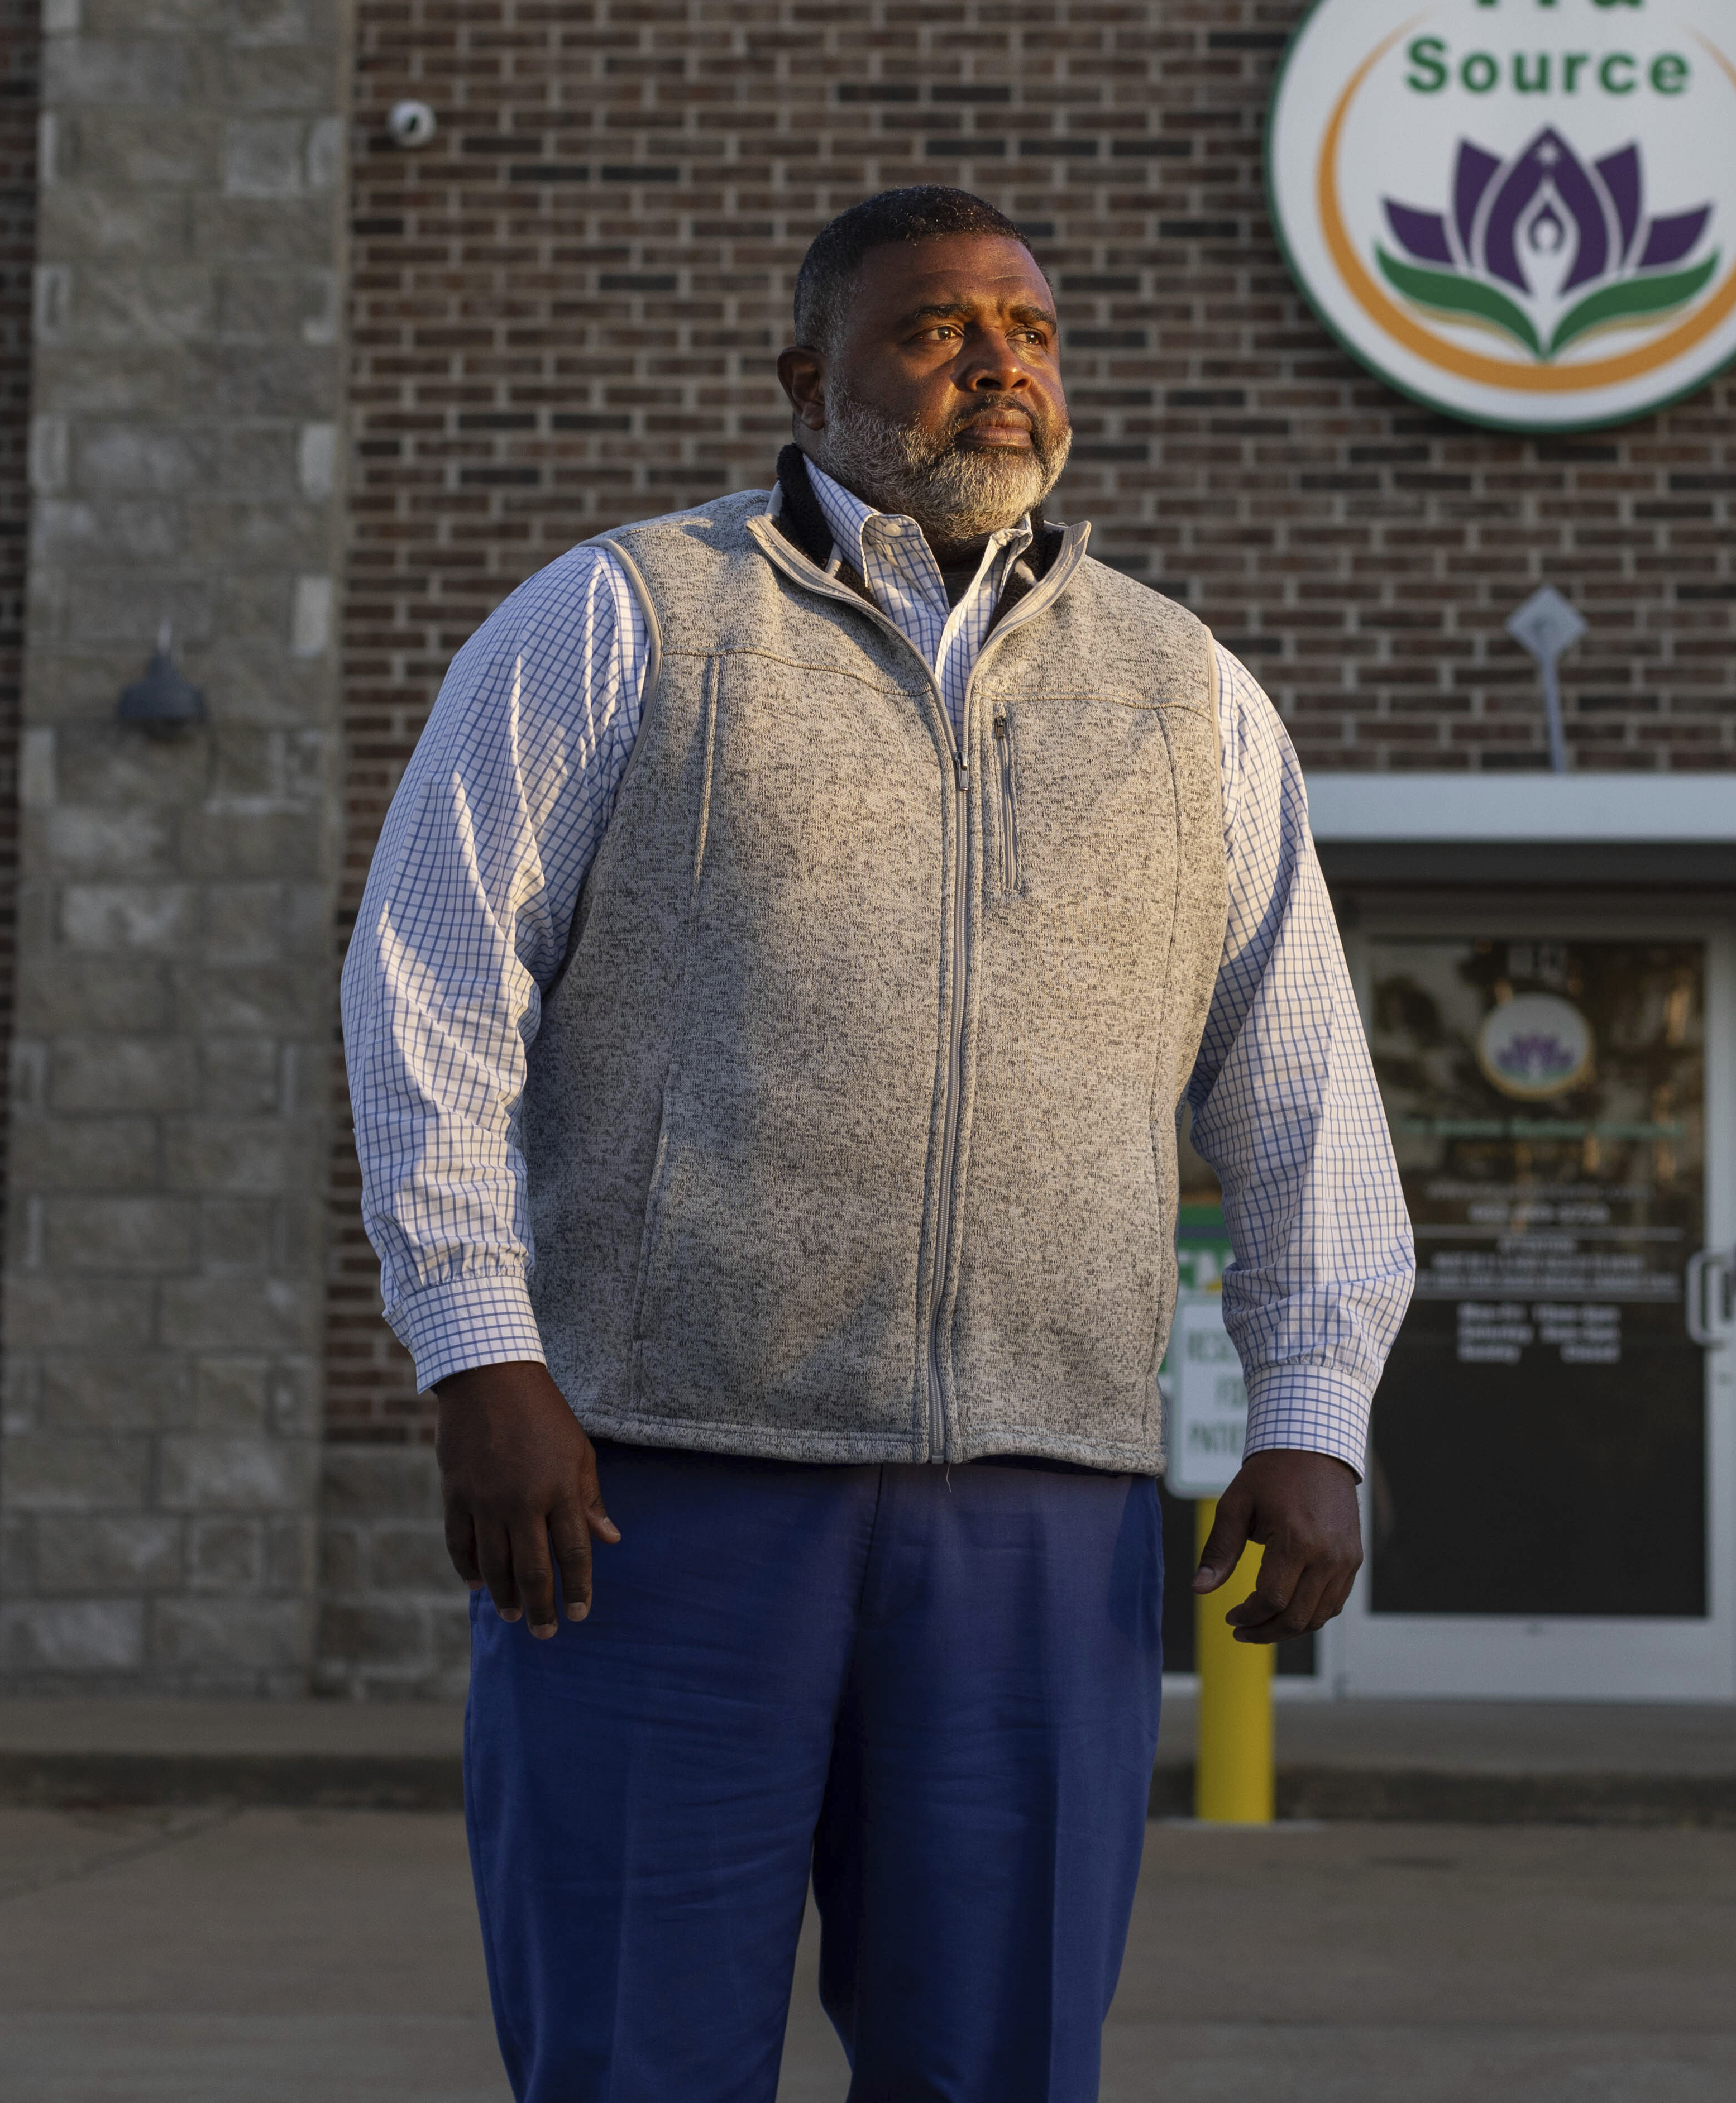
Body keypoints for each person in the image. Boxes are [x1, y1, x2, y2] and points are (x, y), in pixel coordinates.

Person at [342, 185, 1414, 2101]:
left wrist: (1312, 1409)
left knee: (995, 2060)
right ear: (808, 374)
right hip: (657, 1493)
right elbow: (427, 982)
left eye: (1031, 327)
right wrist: (479, 1351)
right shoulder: (624, 620)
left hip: (1038, 1507)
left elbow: (1298, 1067)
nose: (1000, 360)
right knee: (628, 2054)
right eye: (938, 327)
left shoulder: (1188, 694)